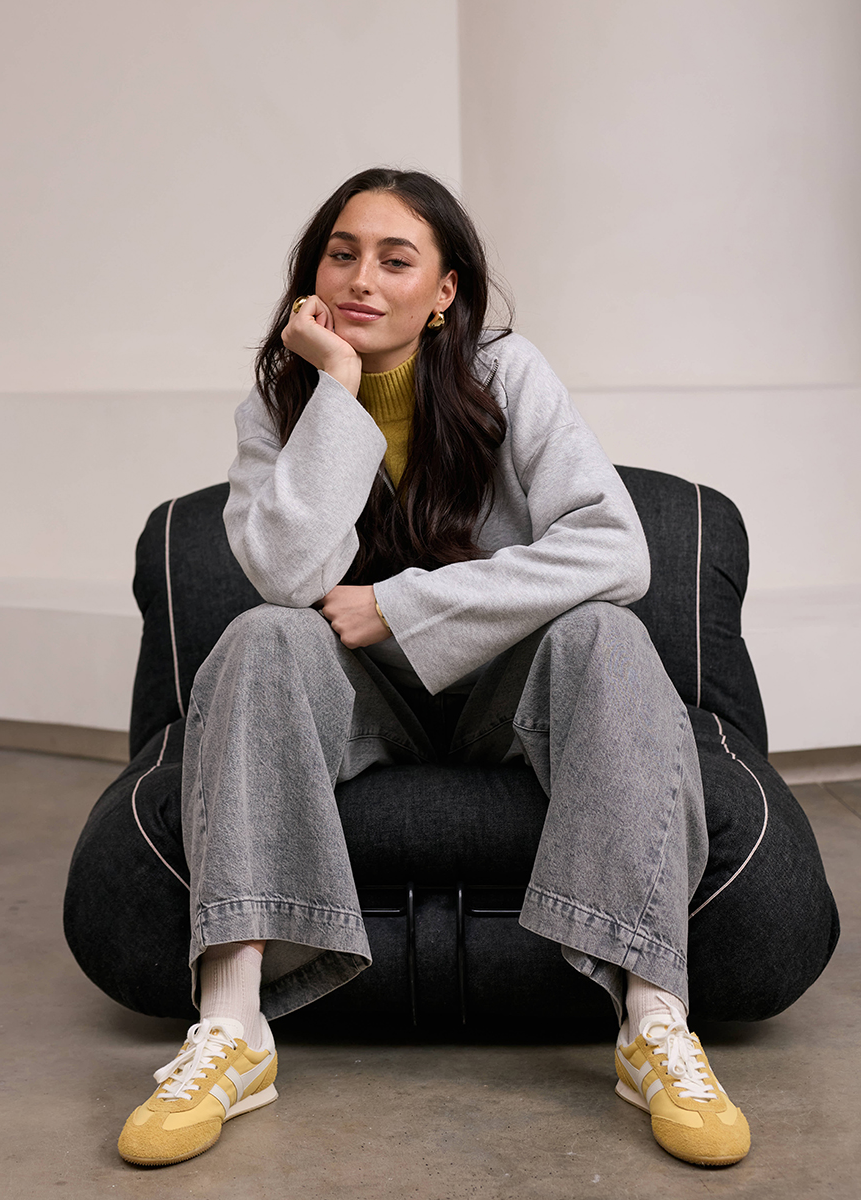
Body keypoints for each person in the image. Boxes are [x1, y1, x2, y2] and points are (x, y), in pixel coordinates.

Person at [116, 168, 751, 1170]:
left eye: (395, 259)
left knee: (608, 635)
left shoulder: (508, 373)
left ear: (445, 290)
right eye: (342, 254)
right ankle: (234, 1026)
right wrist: (334, 385)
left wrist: (403, 605)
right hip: (360, 699)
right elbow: (286, 577)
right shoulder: (277, 405)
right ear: (313, 274)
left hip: (506, 691)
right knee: (260, 637)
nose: (362, 279)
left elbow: (617, 552)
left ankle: (653, 1023)